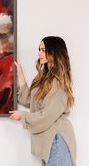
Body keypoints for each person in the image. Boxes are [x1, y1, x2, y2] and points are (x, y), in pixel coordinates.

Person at [9, 36, 76, 166]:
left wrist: (22, 116)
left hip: (57, 140)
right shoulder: (44, 79)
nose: (39, 53)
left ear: (53, 52)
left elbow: (47, 116)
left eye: (43, 50)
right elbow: (31, 101)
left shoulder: (58, 83)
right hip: (48, 142)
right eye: (39, 49)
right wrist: (21, 76)